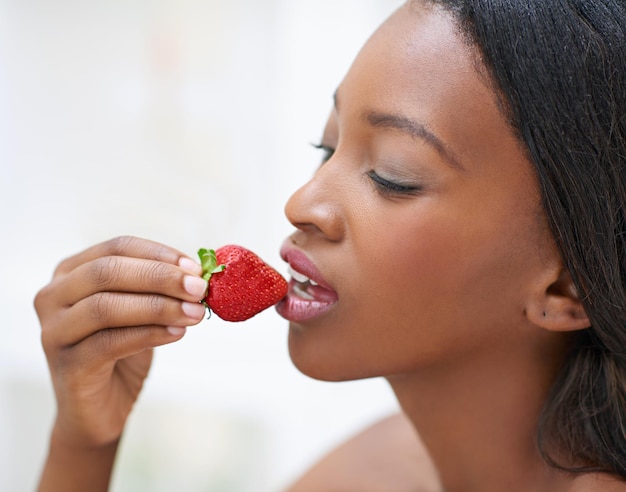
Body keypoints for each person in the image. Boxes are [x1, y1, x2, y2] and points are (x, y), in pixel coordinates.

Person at [34, 0, 626, 490]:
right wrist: (85, 441)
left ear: (567, 284)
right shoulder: (375, 471)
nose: (302, 202)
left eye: (394, 175)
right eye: (326, 148)